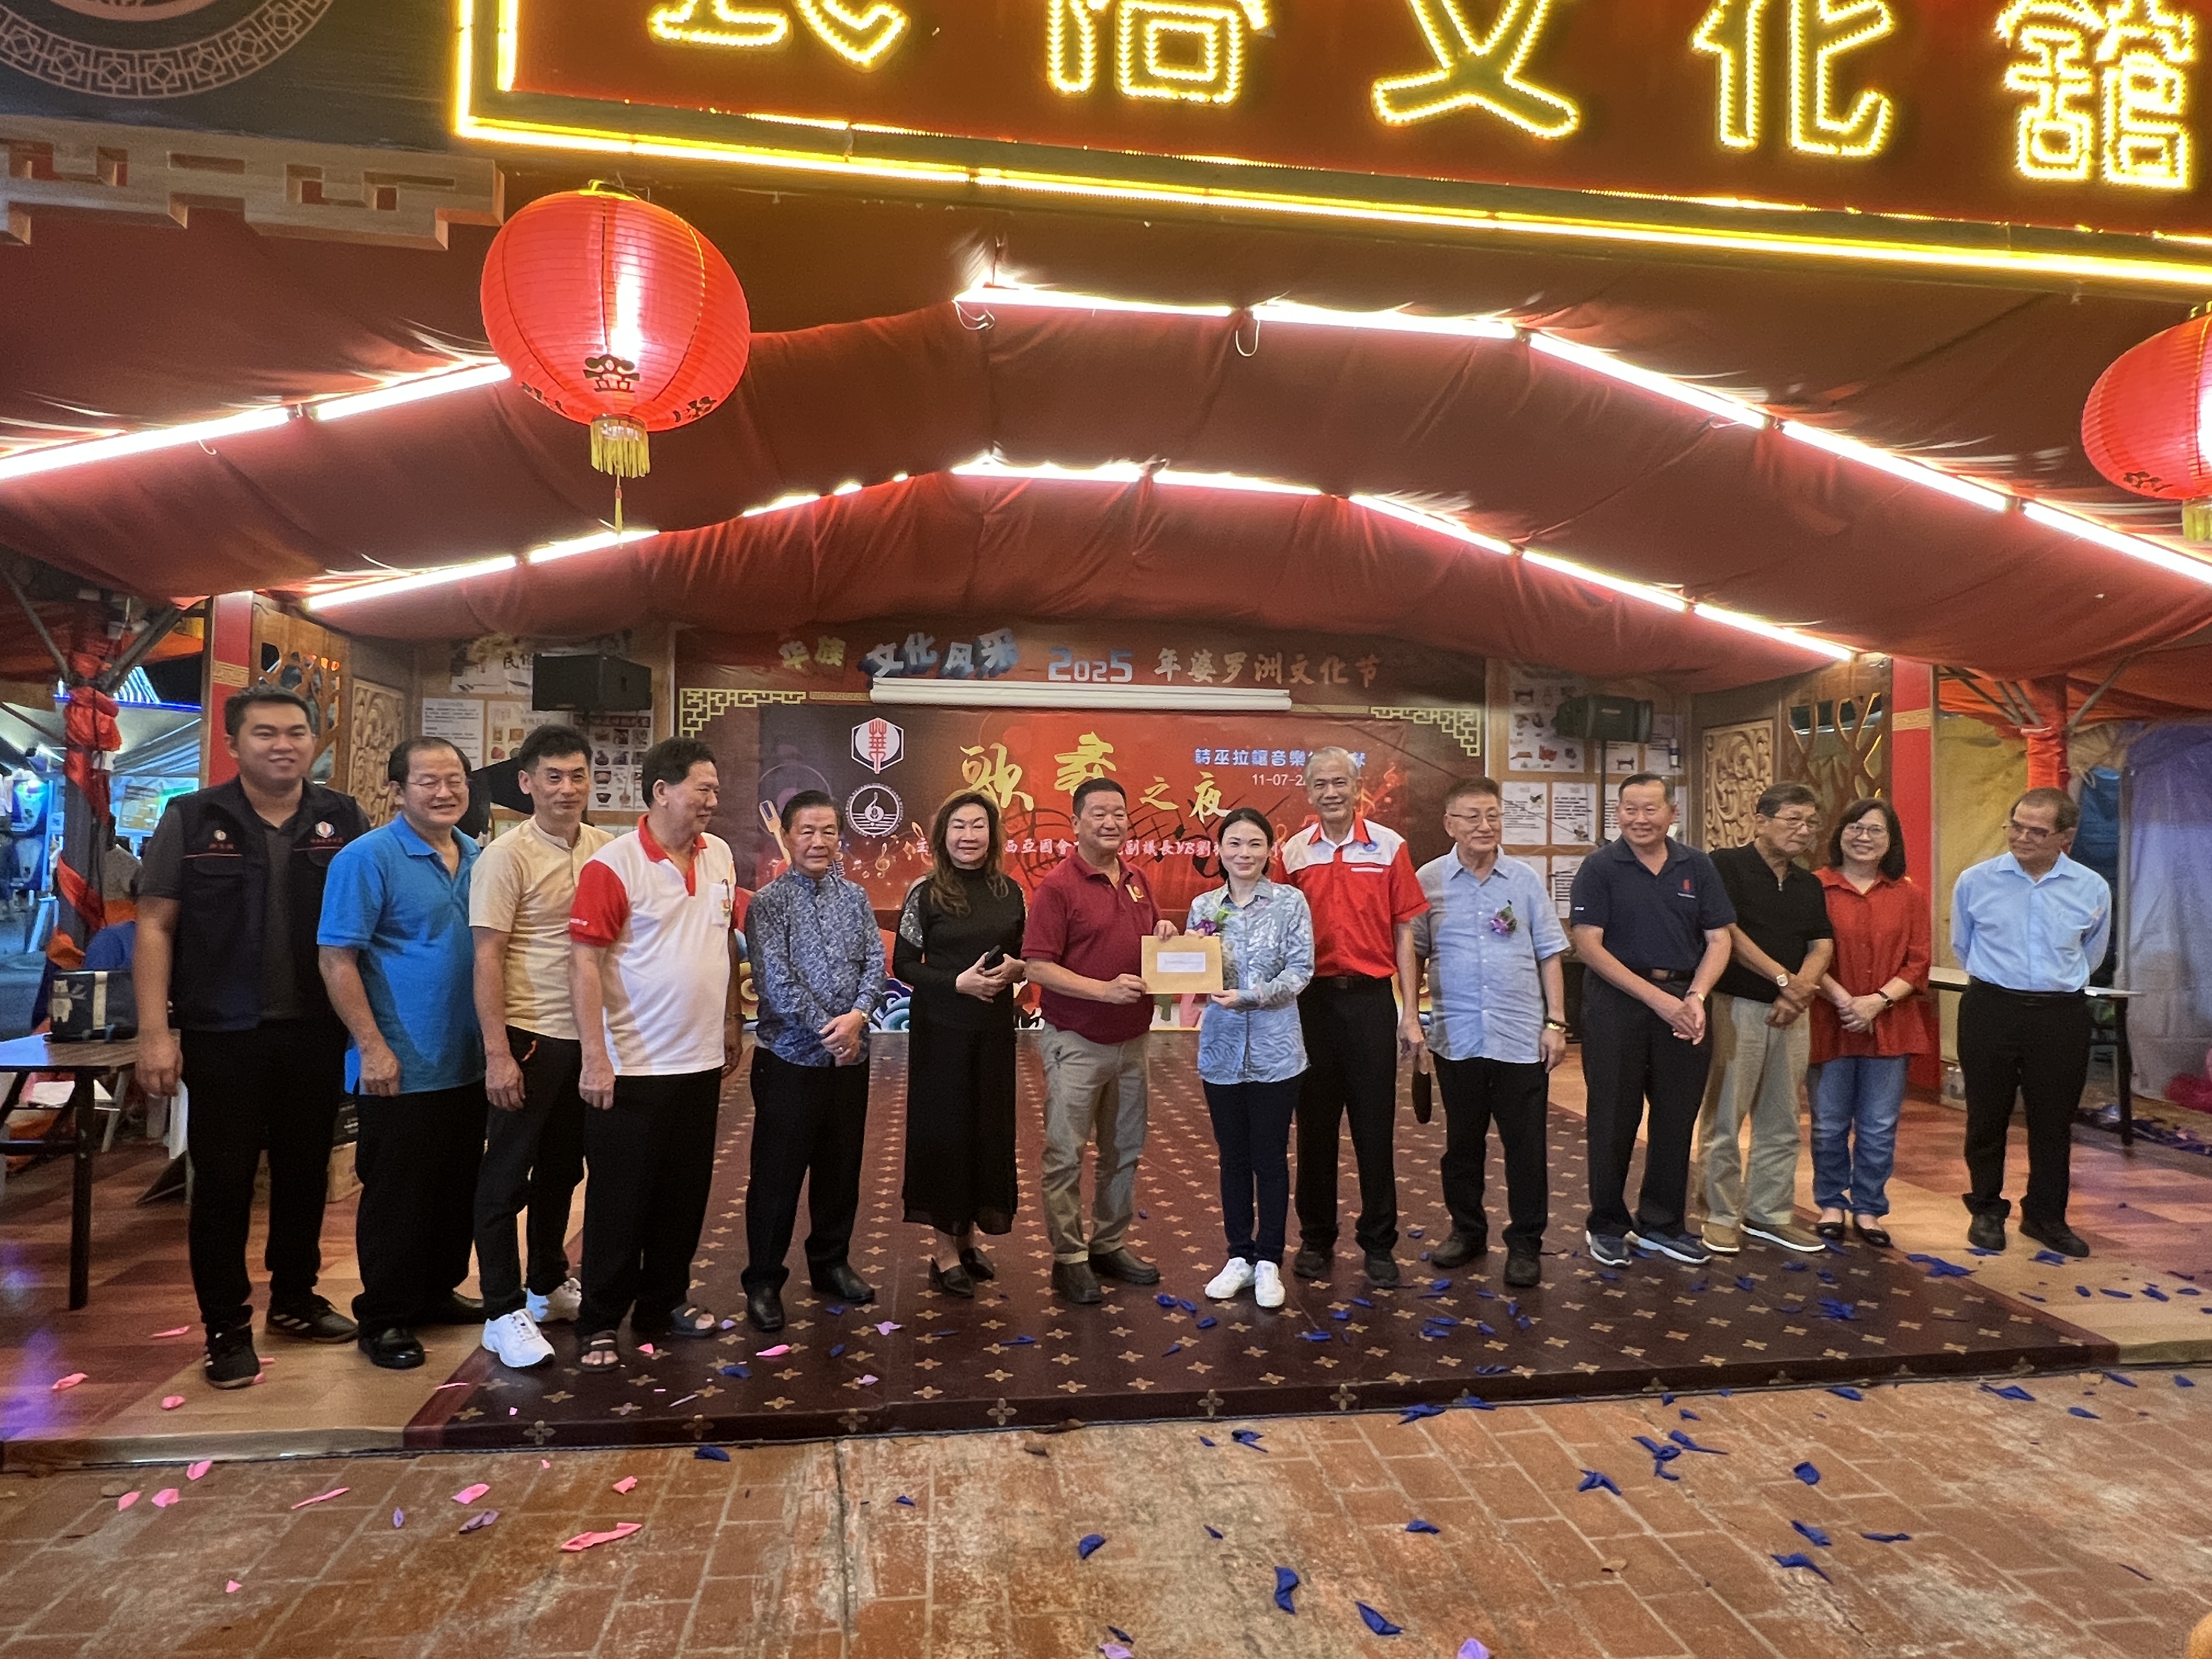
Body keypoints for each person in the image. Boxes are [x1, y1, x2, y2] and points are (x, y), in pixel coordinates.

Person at [134, 686, 370, 1389]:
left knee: (304, 1174)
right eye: (265, 733)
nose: (283, 745)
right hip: (222, 1031)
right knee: (224, 1185)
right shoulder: (192, 817)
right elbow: (155, 925)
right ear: (234, 744)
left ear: (313, 743)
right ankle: (226, 1329)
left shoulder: (342, 818)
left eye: (296, 732)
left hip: (314, 1030)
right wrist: (155, 1033)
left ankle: (295, 1300)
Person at [568, 737, 746, 1365]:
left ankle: (665, 1302)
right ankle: (599, 1319)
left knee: (683, 1194)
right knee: (620, 1200)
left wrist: (733, 1020)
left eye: (716, 789)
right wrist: (595, 1056)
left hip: (699, 1061)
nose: (713, 800)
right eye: (703, 788)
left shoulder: (720, 854)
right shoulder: (614, 865)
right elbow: (584, 964)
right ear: (662, 791)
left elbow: (724, 941)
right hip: (632, 1067)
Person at [317, 736, 486, 1371]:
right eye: (428, 781)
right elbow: (337, 959)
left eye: (455, 780)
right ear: (396, 791)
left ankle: (436, 1290)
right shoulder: (367, 858)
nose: (444, 792)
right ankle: (385, 1315)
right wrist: (372, 1046)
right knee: (398, 1196)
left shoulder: (479, 856)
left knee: (455, 1188)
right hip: (399, 1064)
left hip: (468, 1059)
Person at [468, 723, 610, 1370]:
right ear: (527, 783)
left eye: (577, 775)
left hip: (587, 1037)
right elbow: (486, 957)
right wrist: (497, 1052)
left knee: (563, 1170)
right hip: (528, 1034)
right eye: (553, 777)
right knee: (506, 1176)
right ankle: (501, 1311)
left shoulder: (606, 850)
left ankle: (547, 1283)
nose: (567, 788)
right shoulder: (507, 855)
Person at [1273, 747, 1427, 1288]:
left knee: (1374, 1126)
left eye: (1340, 782)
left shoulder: (1389, 847)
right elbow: (1278, 929)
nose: (1331, 792)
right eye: (1320, 784)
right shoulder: (1293, 852)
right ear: (1308, 791)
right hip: (1311, 1003)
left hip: (1369, 1003)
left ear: (1358, 786)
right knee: (1314, 1126)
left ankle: (1379, 1242)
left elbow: (1406, 931)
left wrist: (1410, 1014)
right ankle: (1316, 1238)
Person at [1568, 773, 1735, 1268]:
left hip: (1686, 999)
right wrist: (1660, 1002)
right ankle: (1607, 1224)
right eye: (1629, 809)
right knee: (1612, 1118)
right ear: (1618, 813)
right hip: (1617, 1004)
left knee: (1676, 1117)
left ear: (1672, 813)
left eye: (1650, 809)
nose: (1639, 819)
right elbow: (1588, 945)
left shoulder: (1697, 865)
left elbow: (1720, 939)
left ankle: (1662, 1223)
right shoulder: (1600, 867)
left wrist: (1696, 996)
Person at [1023, 776, 1178, 1305]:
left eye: (1119, 814)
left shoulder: (1137, 878)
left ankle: (1109, 1244)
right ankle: (1069, 1258)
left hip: (1133, 1041)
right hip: (1077, 1040)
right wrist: (1102, 991)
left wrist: (1164, 935)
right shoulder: (1058, 886)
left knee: (1124, 1150)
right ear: (1076, 823)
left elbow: (1148, 940)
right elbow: (1037, 967)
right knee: (1066, 1153)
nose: (1111, 823)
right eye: (1099, 814)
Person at [1410, 778, 1568, 1290]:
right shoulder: (1428, 880)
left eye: (1494, 815)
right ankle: (1467, 1231)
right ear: (1449, 824)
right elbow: (1413, 953)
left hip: (1520, 1034)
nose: (1485, 826)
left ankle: (1525, 1243)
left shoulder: (1524, 880)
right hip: (1457, 1035)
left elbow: (1549, 953)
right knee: (1462, 1145)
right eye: (1473, 816)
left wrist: (1556, 1023)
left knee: (1526, 1146)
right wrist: (1410, 1016)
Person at [740, 789, 885, 1331]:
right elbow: (776, 984)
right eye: (807, 831)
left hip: (849, 1060)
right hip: (790, 1062)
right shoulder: (768, 903)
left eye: (829, 831)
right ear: (787, 837)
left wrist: (858, 1017)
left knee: (840, 1170)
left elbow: (875, 962)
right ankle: (763, 1280)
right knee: (776, 1178)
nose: (819, 842)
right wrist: (834, 1031)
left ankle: (831, 1263)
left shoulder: (856, 897)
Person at [1950, 786, 2111, 1258]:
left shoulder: (2091, 887)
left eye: (2036, 831)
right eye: (2016, 826)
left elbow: (2092, 952)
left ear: (2065, 837)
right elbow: (1963, 945)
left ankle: (2045, 1216)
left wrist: (2053, 983)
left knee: (2053, 1122)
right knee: (1987, 1115)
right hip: (1991, 1006)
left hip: (2059, 1014)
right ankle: (1986, 1209)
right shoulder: (1976, 881)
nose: (2022, 837)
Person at [894, 791, 1027, 1299]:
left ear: (992, 834)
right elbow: (904, 965)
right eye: (958, 826)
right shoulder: (925, 892)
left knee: (986, 1131)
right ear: (942, 836)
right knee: (945, 1134)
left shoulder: (1010, 892)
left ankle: (968, 1240)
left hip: (993, 1033)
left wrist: (1017, 970)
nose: (968, 836)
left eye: (978, 826)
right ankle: (944, 1251)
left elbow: (1025, 955)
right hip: (941, 1034)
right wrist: (957, 983)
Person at [1691, 783, 1832, 1256]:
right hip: (1737, 1004)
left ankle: (1769, 1212)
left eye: (1811, 823)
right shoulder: (1725, 865)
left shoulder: (1808, 883)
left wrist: (1800, 990)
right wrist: (1782, 980)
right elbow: (1727, 933)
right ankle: (1719, 1214)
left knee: (1782, 1118)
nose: (1803, 830)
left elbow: (1822, 943)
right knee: (1725, 1115)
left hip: (1792, 1013)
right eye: (1793, 819)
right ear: (1760, 820)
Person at [1192, 808, 1313, 1312]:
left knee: (1270, 1157)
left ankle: (1269, 1260)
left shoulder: (1290, 902)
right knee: (1233, 1158)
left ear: (1270, 851)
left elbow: (1302, 969)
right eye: (1234, 844)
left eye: (1255, 844)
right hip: (1221, 1051)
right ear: (1219, 850)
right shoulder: (1203, 906)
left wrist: (1251, 996)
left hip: (1276, 1051)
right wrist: (1174, 954)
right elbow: (1192, 971)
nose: (1244, 853)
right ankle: (1239, 1255)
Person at [1810, 797, 1937, 1249]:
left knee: (1879, 1126)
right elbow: (1804, 952)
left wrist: (1876, 1003)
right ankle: (1830, 1203)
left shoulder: (1909, 895)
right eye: (1855, 827)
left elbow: (1918, 962)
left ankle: (1868, 1208)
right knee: (1828, 1124)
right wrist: (1846, 1001)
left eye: (1875, 830)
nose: (1863, 837)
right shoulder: (1815, 888)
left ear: (1891, 841)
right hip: (1830, 1019)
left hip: (1891, 1023)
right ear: (1840, 833)